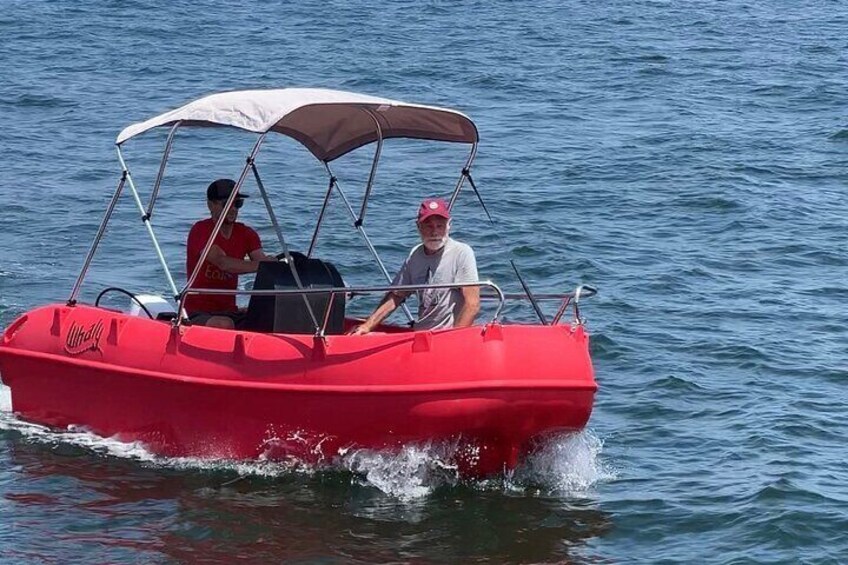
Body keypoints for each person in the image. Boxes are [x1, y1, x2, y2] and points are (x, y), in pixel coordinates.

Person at [350, 198, 480, 334]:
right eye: (429, 226)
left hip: (447, 336)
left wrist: (453, 339)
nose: (434, 232)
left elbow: (472, 304)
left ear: (449, 226)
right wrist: (367, 326)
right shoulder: (415, 255)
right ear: (418, 227)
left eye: (440, 226)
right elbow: (396, 295)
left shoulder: (462, 252)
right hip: (421, 335)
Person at [185, 179, 275, 328]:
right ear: (211, 205)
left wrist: (277, 265)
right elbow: (222, 262)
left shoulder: (247, 233)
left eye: (237, 203)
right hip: (198, 312)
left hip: (230, 311)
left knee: (270, 317)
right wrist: (264, 265)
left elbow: (261, 262)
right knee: (224, 324)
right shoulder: (200, 230)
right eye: (227, 203)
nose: (233, 209)